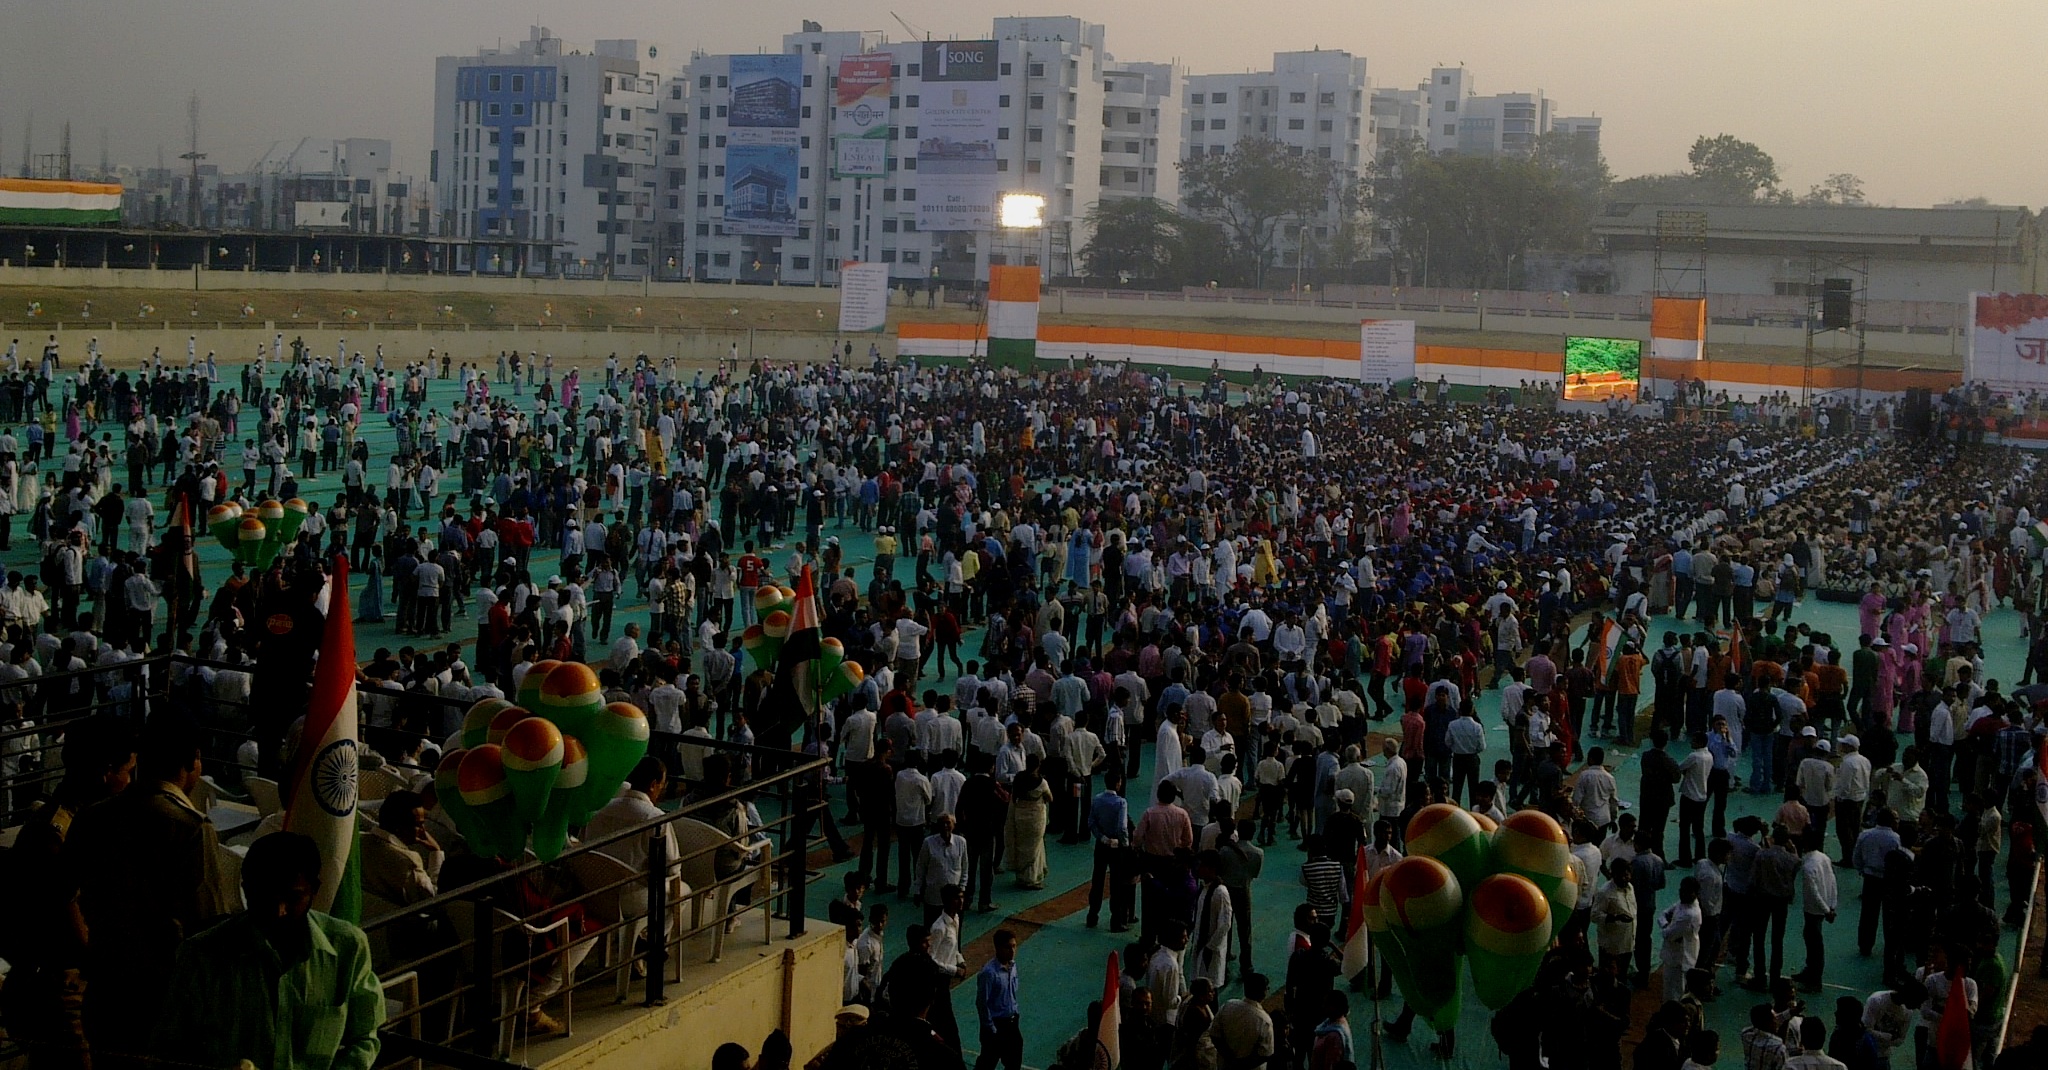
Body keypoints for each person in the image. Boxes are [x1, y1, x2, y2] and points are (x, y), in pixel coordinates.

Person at [151, 831, 384, 1070]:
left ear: (314, 889)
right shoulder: (202, 956)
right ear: (246, 889)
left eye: (293, 898)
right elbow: (172, 1045)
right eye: (264, 897)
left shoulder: (348, 948)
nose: (278, 911)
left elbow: (364, 1039)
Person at [974, 929, 1023, 1070]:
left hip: (1012, 1022)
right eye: (1008, 947)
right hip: (996, 1025)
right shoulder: (989, 973)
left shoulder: (1013, 966)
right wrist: (990, 1028)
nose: (1012, 951)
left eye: (1014, 946)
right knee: (987, 1063)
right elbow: (982, 1003)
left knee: (1014, 1063)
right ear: (998, 948)